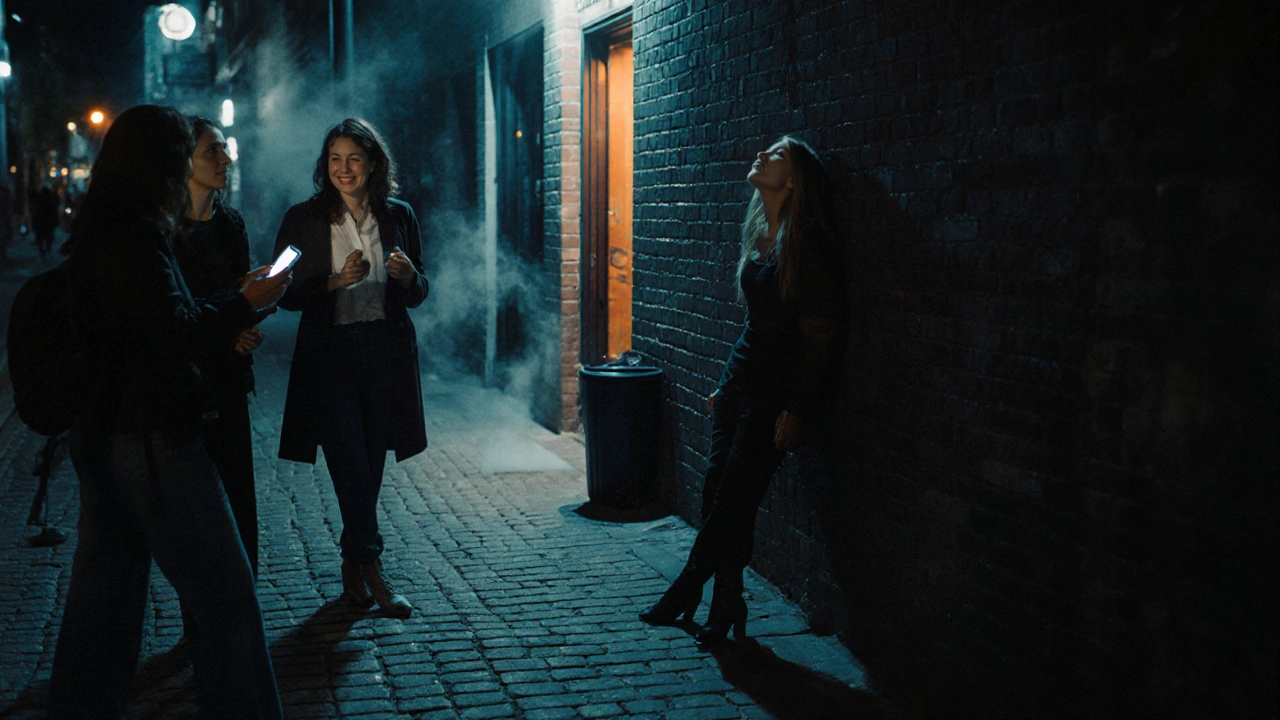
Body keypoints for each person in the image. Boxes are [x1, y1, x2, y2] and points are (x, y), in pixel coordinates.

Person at [49, 104, 288, 719]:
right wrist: (242, 303)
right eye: (185, 150)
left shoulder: (112, 224)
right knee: (228, 601)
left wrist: (235, 305)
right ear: (157, 161)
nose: (197, 161)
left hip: (108, 432)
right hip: (150, 436)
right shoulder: (133, 233)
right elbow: (169, 330)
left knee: (103, 606)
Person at [640, 136, 846, 646]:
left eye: (776, 154)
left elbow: (822, 337)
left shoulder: (809, 241)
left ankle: (689, 587)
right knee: (718, 494)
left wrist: (798, 407)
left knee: (735, 498)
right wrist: (725, 385)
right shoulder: (760, 231)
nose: (761, 155)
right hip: (740, 384)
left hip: (775, 394)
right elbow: (755, 326)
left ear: (794, 178)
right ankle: (726, 600)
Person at [273, 118, 429, 618]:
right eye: (335, 159)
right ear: (325, 166)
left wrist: (408, 277)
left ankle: (352, 569)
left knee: (371, 466)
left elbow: (423, 291)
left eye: (354, 159)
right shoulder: (302, 218)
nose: (344, 169)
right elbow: (281, 292)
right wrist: (334, 282)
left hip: (384, 355)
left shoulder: (398, 215)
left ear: (373, 164)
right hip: (331, 359)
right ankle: (374, 572)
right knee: (352, 468)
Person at [171, 116, 263, 649]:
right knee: (192, 514)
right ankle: (198, 624)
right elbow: (172, 317)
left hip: (230, 381)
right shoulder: (164, 231)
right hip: (185, 387)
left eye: (225, 149)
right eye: (213, 151)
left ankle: (239, 617)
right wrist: (228, 326)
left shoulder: (229, 222)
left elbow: (241, 292)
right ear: (184, 160)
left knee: (239, 503)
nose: (225, 159)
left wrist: (248, 325)